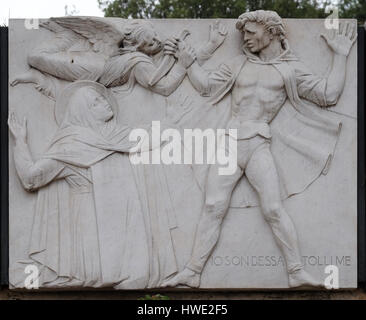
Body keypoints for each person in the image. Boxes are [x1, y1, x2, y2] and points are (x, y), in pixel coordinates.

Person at [163, 10, 356, 288]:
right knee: (212, 206)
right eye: (244, 34)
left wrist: (340, 55)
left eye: (252, 33)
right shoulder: (238, 64)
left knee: (274, 209)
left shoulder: (290, 68)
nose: (246, 38)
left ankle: (296, 271)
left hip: (258, 145)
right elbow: (206, 87)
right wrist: (189, 62)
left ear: (271, 32)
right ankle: (193, 272)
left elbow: (328, 94)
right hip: (229, 144)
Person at [9, 80, 190, 288]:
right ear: (83, 111)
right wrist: (20, 142)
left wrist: (171, 120)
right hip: (90, 228)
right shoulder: (71, 144)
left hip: (128, 223)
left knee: (136, 278)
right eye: (96, 102)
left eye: (103, 97)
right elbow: (31, 178)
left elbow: (148, 137)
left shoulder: (118, 135)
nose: (105, 102)